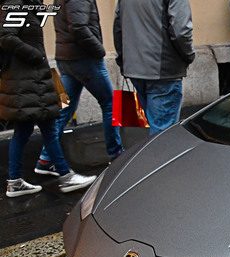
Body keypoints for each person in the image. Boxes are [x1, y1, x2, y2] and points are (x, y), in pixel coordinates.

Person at [1, 0, 96, 198]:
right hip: (27, 80)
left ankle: (16, 181)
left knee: (25, 130)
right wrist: (36, 56)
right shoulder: (16, 4)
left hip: (30, 80)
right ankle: (64, 174)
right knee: (48, 129)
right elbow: (6, 36)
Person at [34, 0, 124, 177]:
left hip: (68, 59)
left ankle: (46, 158)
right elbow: (78, 27)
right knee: (111, 105)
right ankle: (116, 154)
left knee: (64, 110)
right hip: (85, 59)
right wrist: (99, 51)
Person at [113, 0, 196, 136]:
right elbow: (181, 31)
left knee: (156, 128)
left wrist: (124, 60)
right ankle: (155, 157)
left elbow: (118, 27)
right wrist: (189, 55)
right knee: (162, 133)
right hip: (163, 69)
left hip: (136, 67)